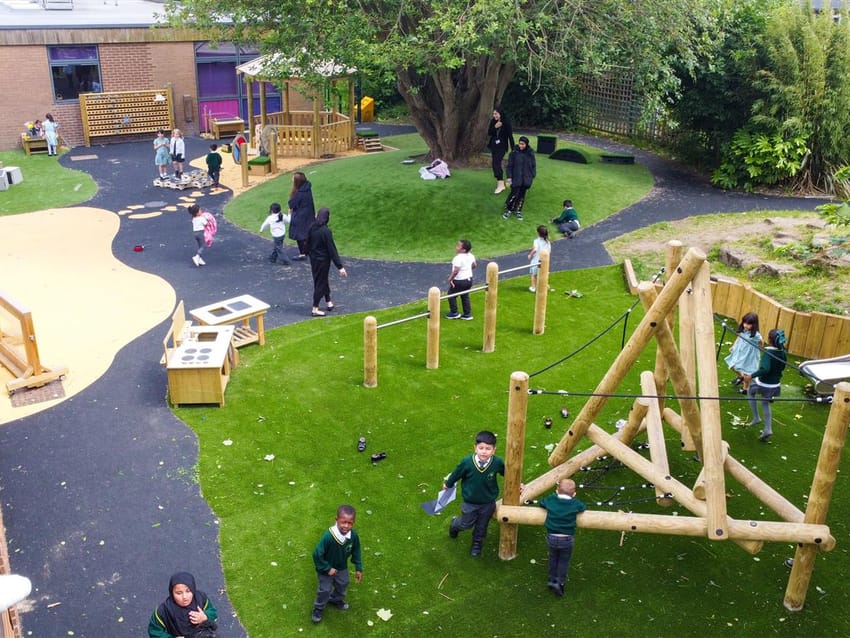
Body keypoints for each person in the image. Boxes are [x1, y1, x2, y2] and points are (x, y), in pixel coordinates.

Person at [443, 430, 505, 557]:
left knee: (482, 526)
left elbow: (508, 474)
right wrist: (448, 484)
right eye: (481, 448)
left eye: (488, 449)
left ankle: (477, 544)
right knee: (466, 524)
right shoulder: (467, 462)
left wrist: (518, 484)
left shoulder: (497, 463)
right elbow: (456, 474)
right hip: (470, 502)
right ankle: (456, 524)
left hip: (488, 502)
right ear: (475, 448)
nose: (484, 451)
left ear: (494, 450)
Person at [311, 504, 363, 624]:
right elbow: (317, 554)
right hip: (326, 570)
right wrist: (327, 568)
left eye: (350, 523)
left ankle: (335, 599)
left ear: (353, 523)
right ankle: (318, 609)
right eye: (343, 522)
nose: (346, 526)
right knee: (324, 590)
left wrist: (358, 568)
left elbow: (356, 551)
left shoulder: (353, 536)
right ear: (336, 520)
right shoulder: (328, 536)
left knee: (343, 583)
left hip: (341, 567)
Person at [539, 478, 586, 597]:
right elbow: (583, 507)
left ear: (557, 491)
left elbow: (542, 502)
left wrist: (553, 496)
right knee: (563, 561)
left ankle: (551, 580)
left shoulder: (551, 499)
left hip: (552, 537)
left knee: (553, 558)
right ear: (574, 494)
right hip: (567, 539)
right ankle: (560, 583)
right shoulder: (575, 503)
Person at [745, 328, 788, 442]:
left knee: (750, 391)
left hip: (764, 383)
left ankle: (756, 417)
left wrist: (751, 376)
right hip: (775, 384)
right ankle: (768, 428)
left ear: (769, 339)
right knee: (765, 403)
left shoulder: (769, 353)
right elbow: (783, 366)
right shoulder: (783, 352)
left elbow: (765, 369)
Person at [148, 571, 218, 638]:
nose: (184, 597)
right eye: (179, 593)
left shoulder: (200, 599)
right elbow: (154, 631)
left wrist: (205, 617)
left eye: (188, 591)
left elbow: (213, 612)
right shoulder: (164, 611)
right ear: (172, 593)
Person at [306, 207, 347, 316]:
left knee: (320, 280)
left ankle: (328, 302)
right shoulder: (326, 231)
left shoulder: (312, 227)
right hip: (323, 261)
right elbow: (332, 249)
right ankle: (315, 308)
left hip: (314, 259)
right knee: (321, 282)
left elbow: (307, 243)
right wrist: (340, 267)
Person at [724, 312, 762, 392]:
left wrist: (759, 349)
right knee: (732, 365)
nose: (745, 325)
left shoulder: (756, 335)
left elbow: (761, 342)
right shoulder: (744, 330)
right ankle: (741, 376)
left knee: (746, 373)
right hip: (740, 351)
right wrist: (734, 346)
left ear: (754, 325)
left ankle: (745, 389)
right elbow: (739, 336)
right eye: (745, 323)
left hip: (749, 356)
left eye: (749, 324)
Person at [503, 135, 536, 221]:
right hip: (516, 178)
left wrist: (532, 175)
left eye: (523, 144)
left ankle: (518, 211)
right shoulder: (514, 153)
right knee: (514, 194)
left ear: (526, 144)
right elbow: (509, 166)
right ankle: (509, 210)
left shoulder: (530, 154)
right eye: (520, 143)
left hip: (526, 179)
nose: (521, 146)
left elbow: (533, 166)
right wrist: (509, 177)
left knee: (522, 196)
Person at [444, 239, 477, 320]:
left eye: (458, 246)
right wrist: (467, 270)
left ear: (463, 250)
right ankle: (467, 314)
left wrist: (450, 278)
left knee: (451, 295)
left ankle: (454, 313)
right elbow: (474, 265)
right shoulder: (470, 255)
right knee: (465, 295)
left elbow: (456, 270)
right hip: (469, 280)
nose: (456, 247)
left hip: (459, 281)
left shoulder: (458, 258)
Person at [287, 171, 316, 259]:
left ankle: (303, 253)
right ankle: (308, 251)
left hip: (300, 216)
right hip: (309, 214)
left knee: (299, 235)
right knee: (307, 233)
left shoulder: (299, 193)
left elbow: (291, 204)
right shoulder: (307, 188)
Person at [487, 108, 514, 194]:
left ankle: (501, 184)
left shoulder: (506, 122)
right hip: (494, 146)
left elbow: (510, 136)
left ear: (500, 114)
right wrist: (495, 127)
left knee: (496, 163)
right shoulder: (493, 121)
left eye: (496, 114)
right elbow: (489, 133)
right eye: (493, 114)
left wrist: (513, 149)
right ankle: (500, 183)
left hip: (502, 147)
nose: (494, 116)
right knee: (494, 164)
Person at [528, 225, 551, 292]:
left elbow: (535, 249)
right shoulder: (547, 242)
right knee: (543, 273)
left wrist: (530, 254)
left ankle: (533, 287)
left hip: (536, 260)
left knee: (533, 274)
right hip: (544, 261)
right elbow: (549, 252)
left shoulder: (536, 241)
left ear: (538, 233)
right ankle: (546, 285)